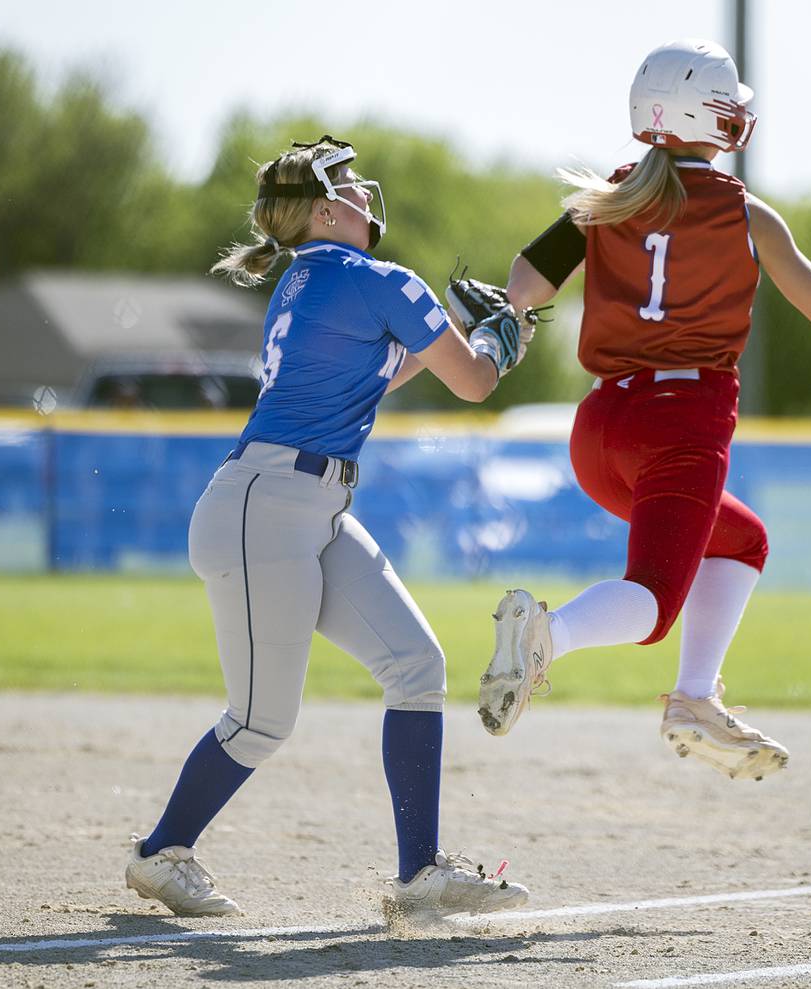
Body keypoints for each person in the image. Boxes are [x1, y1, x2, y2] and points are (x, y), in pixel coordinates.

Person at [478, 40, 811, 780]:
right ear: (709, 118)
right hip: (681, 424)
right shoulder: (746, 213)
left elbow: (525, 281)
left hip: (597, 430)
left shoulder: (608, 195)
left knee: (741, 540)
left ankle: (695, 697)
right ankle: (547, 633)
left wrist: (510, 317)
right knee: (652, 605)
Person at [124, 135, 532, 920]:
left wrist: (456, 327)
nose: (360, 194)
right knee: (261, 719)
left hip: (296, 505)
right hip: (270, 506)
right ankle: (159, 853)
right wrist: (492, 339)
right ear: (319, 208)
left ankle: (419, 876)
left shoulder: (306, 280)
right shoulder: (377, 278)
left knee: (417, 664)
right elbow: (474, 381)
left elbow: (387, 369)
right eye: (346, 186)